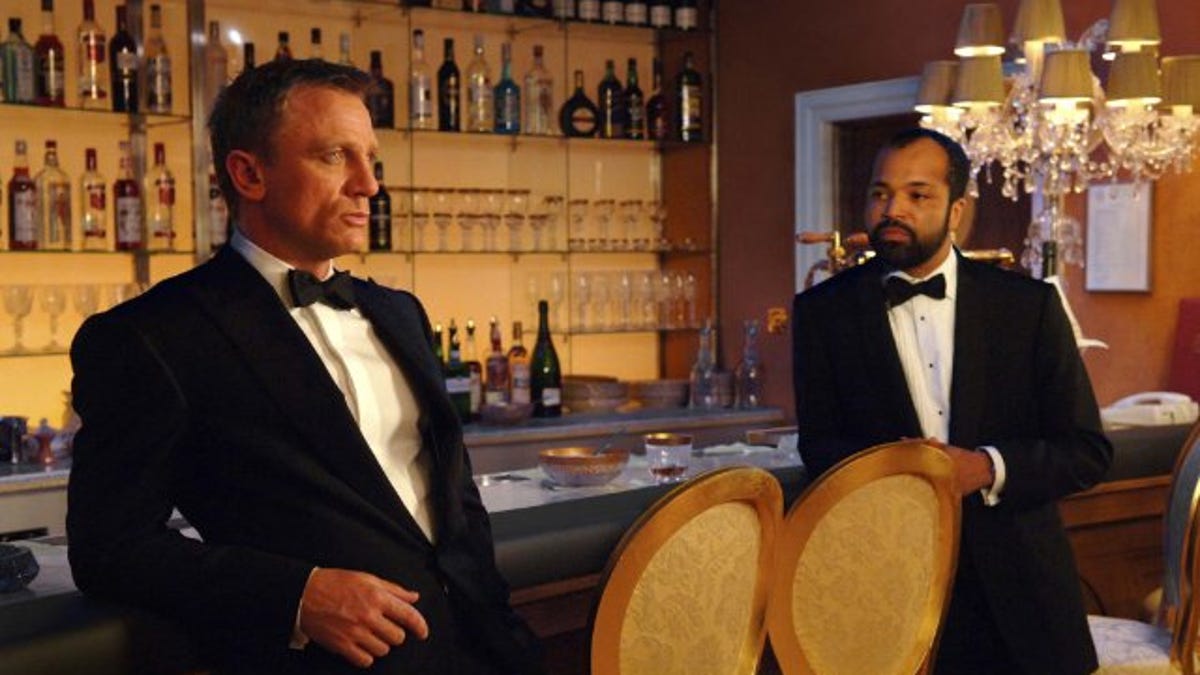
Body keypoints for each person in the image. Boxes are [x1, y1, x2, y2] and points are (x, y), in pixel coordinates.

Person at [67, 58, 544, 674]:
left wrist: (505, 632)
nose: (368, 185)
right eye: (334, 156)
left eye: (371, 159)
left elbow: (454, 500)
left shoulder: (400, 313)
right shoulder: (150, 336)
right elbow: (110, 549)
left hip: (484, 653)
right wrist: (295, 595)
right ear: (249, 174)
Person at [791, 128, 1113, 675]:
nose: (893, 209)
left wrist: (985, 467)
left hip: (1024, 597)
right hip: (887, 595)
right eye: (880, 193)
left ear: (956, 210)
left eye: (917, 194)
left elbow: (1086, 451)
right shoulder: (822, 312)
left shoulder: (1027, 306)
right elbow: (818, 446)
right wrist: (894, 468)